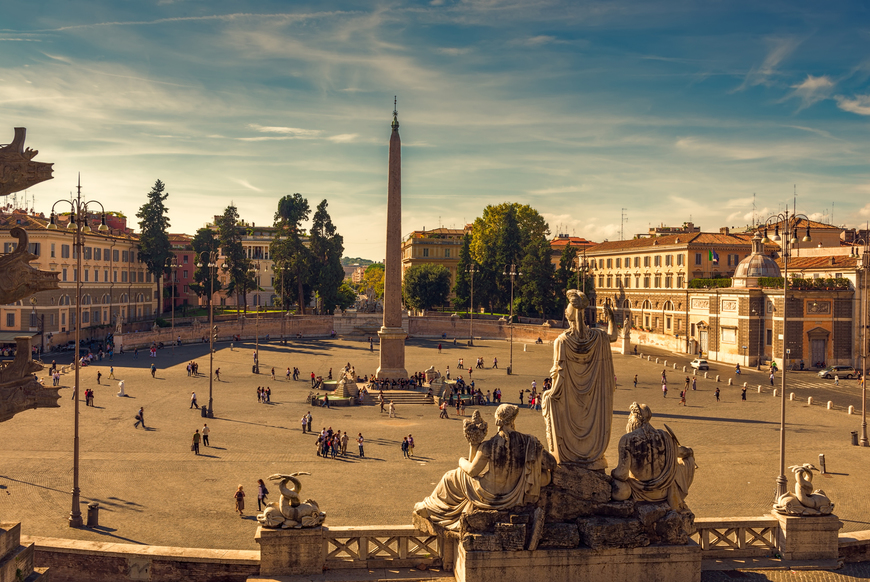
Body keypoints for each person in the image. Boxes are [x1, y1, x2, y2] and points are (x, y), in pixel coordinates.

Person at [541, 290, 618, 468]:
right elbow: (613, 336)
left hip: (569, 399)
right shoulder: (597, 337)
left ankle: (568, 454)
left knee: (548, 398)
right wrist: (611, 318)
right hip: (592, 401)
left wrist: (551, 394)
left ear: (569, 317)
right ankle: (592, 454)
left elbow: (559, 375)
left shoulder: (562, 341)